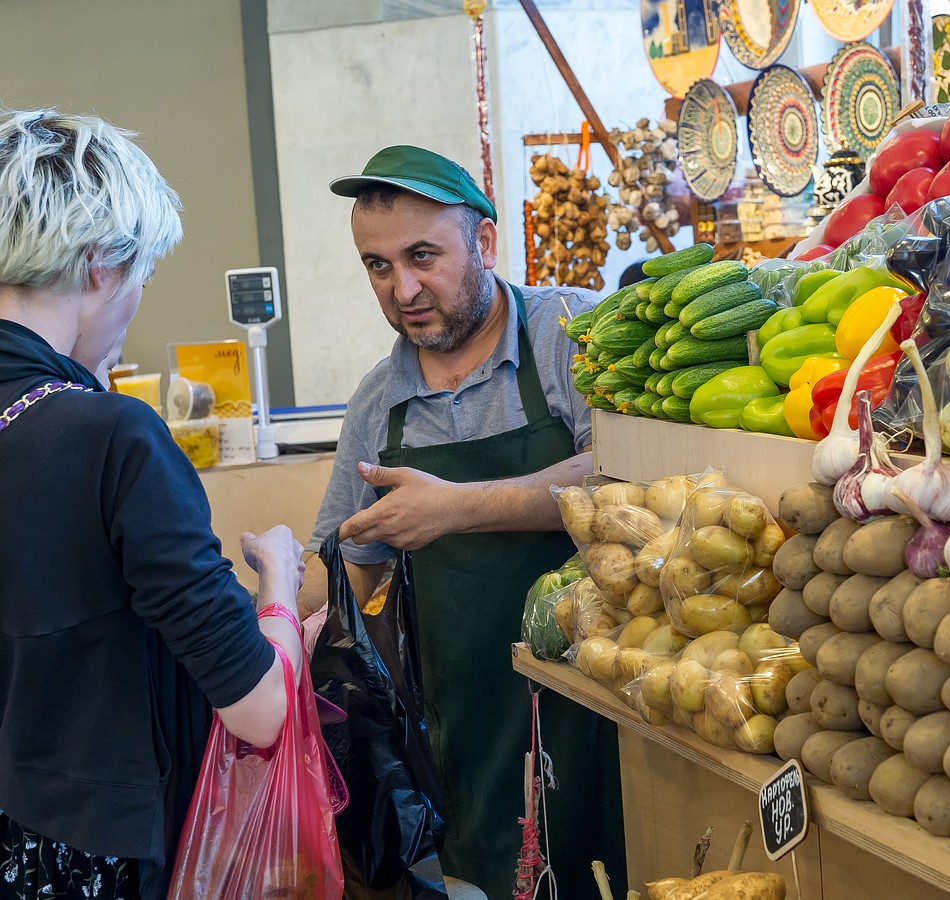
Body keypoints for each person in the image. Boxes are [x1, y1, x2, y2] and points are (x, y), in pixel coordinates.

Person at [299, 145, 626, 897]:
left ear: (483, 242)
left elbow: (620, 480)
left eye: (422, 256)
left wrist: (456, 509)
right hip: (468, 732)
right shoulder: (378, 403)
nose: (402, 288)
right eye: (377, 266)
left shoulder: (571, 332)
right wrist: (281, 621)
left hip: (608, 700)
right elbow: (354, 569)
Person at [0, 109, 307, 900]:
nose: (136, 299)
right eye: (142, 275)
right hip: (91, 858)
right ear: (100, 263)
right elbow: (261, 709)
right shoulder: (110, 439)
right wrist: (277, 579)